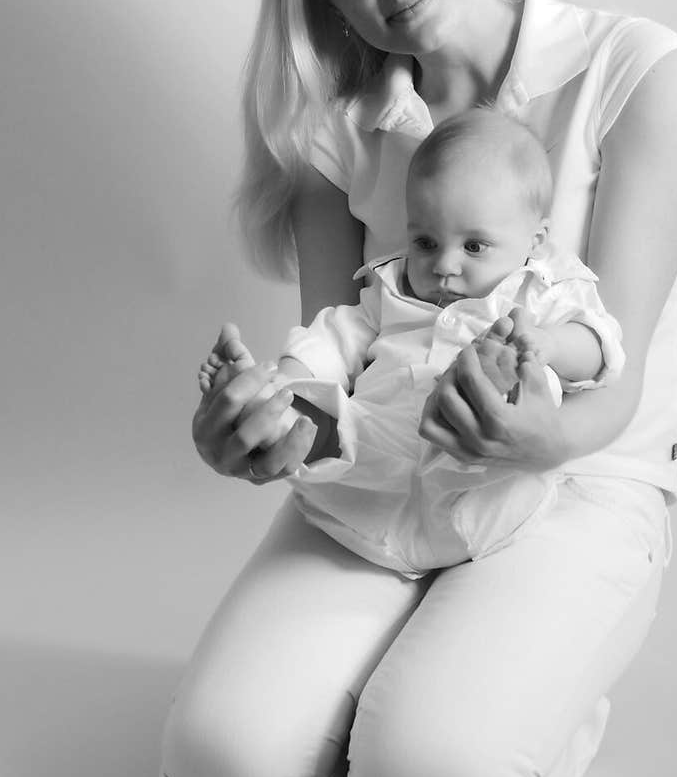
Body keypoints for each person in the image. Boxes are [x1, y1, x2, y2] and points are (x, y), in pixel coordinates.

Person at [161, 0, 677, 777]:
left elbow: (615, 374)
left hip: (577, 477)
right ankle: (387, 677)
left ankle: (522, 711)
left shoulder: (628, 69)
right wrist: (270, 432)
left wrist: (535, 428)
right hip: (381, 482)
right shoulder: (337, 134)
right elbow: (337, 373)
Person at [197, 108, 626, 577]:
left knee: (501, 393)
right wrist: (287, 380)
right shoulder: (390, 290)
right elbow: (334, 337)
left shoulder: (540, 291)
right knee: (339, 426)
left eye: (474, 247)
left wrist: (549, 344)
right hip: (373, 491)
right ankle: (267, 408)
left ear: (535, 238)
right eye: (425, 242)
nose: (444, 264)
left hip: (482, 480)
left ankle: (479, 380)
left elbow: (601, 345)